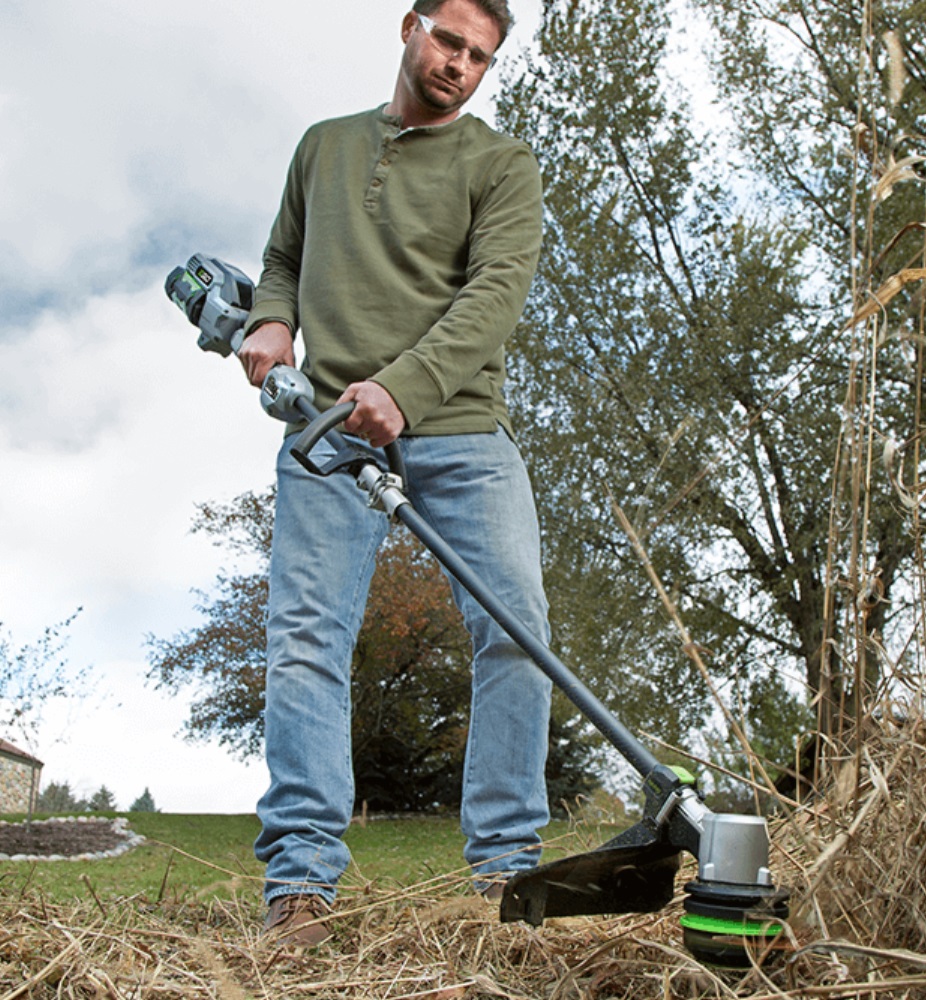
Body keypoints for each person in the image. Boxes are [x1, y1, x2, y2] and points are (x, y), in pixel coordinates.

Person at [237, 0, 553, 948]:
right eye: (449, 40)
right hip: (328, 427)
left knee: (517, 633)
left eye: (480, 57)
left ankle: (506, 873)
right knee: (306, 640)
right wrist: (270, 320)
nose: (460, 63)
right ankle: (300, 883)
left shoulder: (502, 166)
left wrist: (405, 389)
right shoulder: (323, 146)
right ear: (409, 27)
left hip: (460, 428)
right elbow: (283, 260)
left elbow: (495, 295)